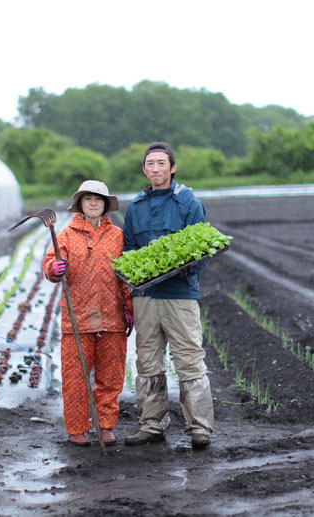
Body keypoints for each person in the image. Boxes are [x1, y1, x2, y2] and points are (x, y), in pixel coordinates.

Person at [122, 142, 214, 449]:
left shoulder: (188, 202)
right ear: (144, 169)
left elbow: (200, 248)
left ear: (172, 168)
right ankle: (151, 425)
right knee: (147, 360)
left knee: (189, 359)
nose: (156, 168)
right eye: (150, 164)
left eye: (162, 163)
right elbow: (130, 251)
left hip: (180, 295)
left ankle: (199, 428)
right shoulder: (135, 207)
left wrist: (182, 272)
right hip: (145, 297)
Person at [43, 180, 134, 446]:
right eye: (87, 199)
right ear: (80, 205)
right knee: (75, 377)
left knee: (110, 376)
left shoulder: (118, 235)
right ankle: (77, 428)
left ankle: (105, 425)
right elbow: (49, 264)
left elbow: (126, 275)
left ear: (105, 204)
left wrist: (128, 308)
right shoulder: (66, 235)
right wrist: (54, 269)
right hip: (77, 317)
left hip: (112, 316)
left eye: (98, 199)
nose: (93, 203)